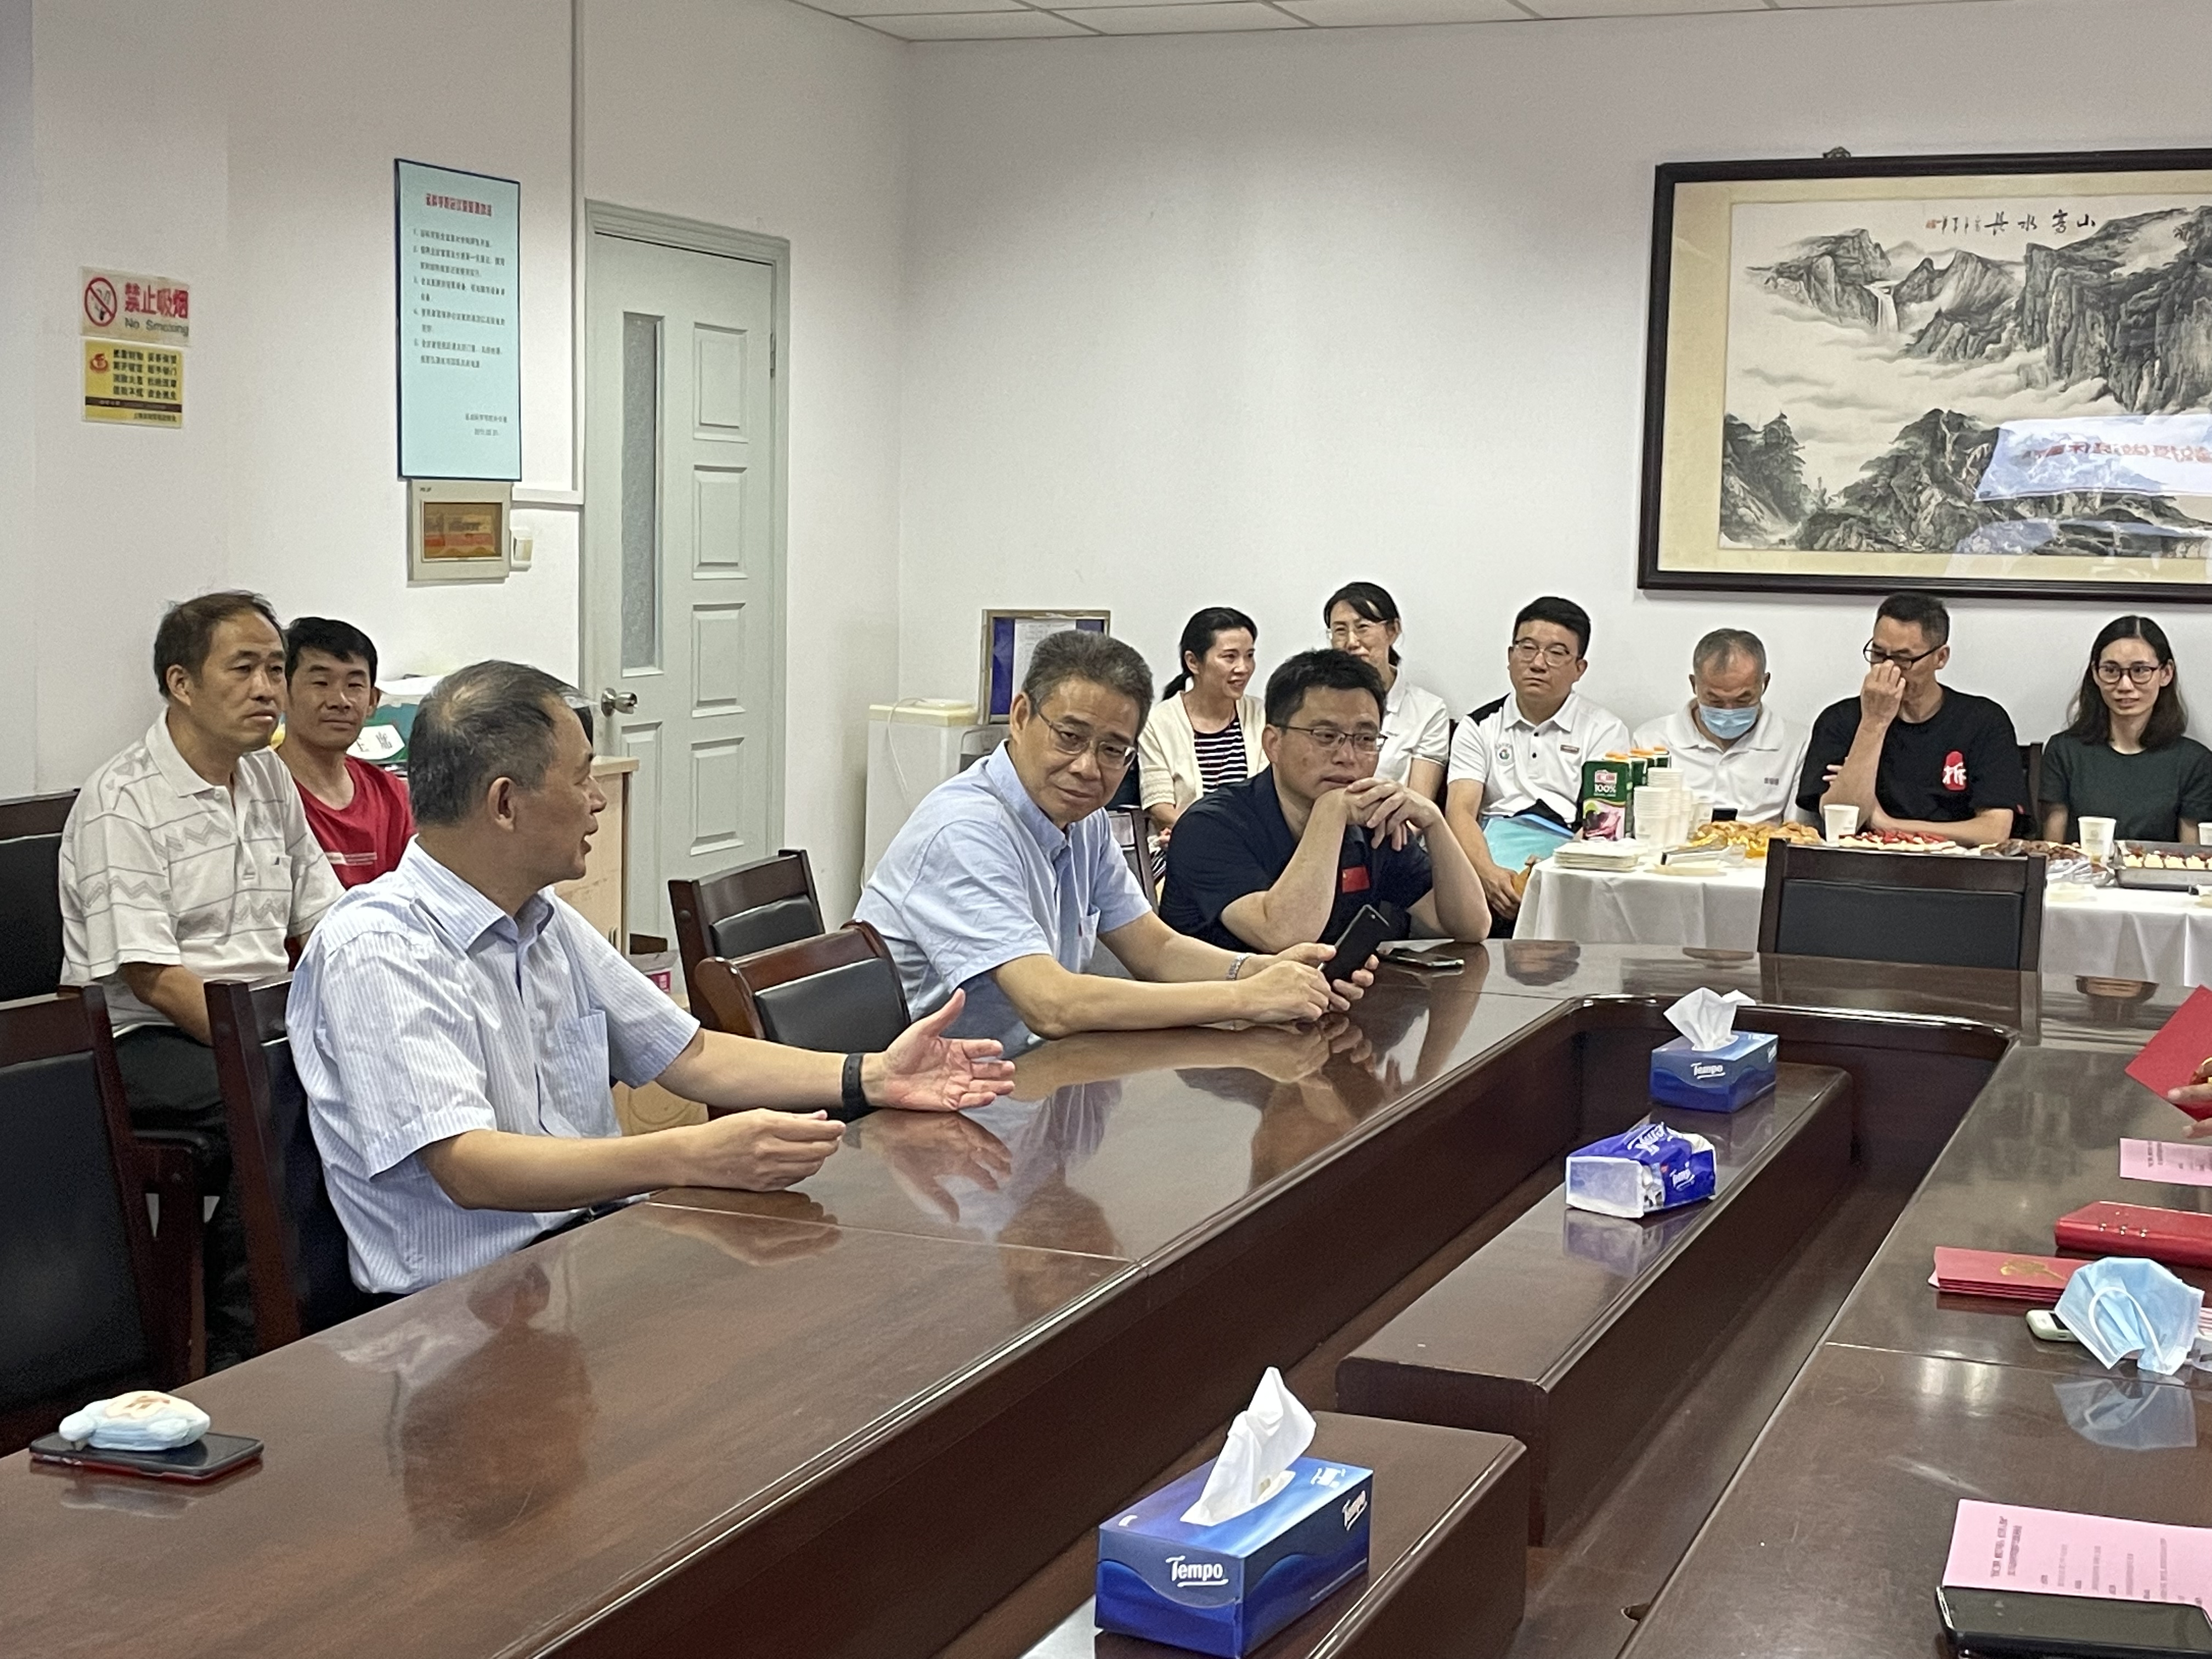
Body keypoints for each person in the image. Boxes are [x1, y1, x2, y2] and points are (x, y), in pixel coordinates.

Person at [291, 661, 1018, 1297]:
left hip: (582, 1261)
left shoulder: (542, 919)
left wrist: (871, 1076)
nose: (597, 800)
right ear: (505, 803)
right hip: (457, 1316)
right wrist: (688, 1155)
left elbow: (688, 1053)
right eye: (581, 778)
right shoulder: (380, 948)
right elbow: (469, 1166)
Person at [60, 590, 345, 1369]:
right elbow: (152, 975)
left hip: (256, 1022)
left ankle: (345, 1309)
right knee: (281, 1101)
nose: (267, 689)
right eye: (244, 669)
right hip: (141, 1037)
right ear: (181, 684)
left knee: (360, 1078)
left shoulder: (269, 778)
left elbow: (325, 915)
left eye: (276, 670)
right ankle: (244, 1351)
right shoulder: (123, 800)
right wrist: (269, 1047)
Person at [854, 628, 1367, 1046]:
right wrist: (1248, 998)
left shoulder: (1084, 820)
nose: (1087, 767)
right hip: (923, 1099)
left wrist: (1264, 970)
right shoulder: (965, 830)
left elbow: (1155, 949)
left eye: (1112, 750)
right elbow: (1051, 1004)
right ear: (1021, 716)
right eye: (1070, 736)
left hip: (1028, 1075)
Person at [1159, 650, 1491, 952]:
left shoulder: (1374, 821)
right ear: (1273, 744)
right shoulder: (1210, 826)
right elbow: (1283, 936)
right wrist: (1330, 812)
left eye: (1365, 738)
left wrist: (1434, 821)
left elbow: (1470, 926)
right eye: (1326, 736)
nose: (1347, 756)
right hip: (1219, 999)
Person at [1444, 596, 1630, 930]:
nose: (1538, 664)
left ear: (1579, 668)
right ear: (1510, 656)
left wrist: (1547, 874)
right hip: (1488, 869)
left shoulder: (1605, 730)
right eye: (1527, 649)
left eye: (1556, 653)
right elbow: (1460, 812)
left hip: (1568, 868)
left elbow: (1601, 824)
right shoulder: (1478, 726)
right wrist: (1488, 874)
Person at [1797, 591, 2023, 847]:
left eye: (1903, 659)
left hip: (1956, 863)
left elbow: (1994, 831)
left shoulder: (1983, 721)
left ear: (1941, 657)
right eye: (1878, 654)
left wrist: (1890, 825)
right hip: (1861, 861)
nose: (1888, 668)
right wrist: (1874, 722)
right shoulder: (1840, 720)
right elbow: (1840, 823)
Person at [2040, 616, 2212, 845]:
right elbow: (2054, 850)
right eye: (2111, 670)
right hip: (2082, 869)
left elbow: (2191, 856)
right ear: (2095, 674)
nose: (2125, 685)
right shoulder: (2064, 751)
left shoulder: (2194, 762)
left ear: (2166, 673)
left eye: (2140, 670)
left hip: (2157, 869)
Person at [279, 616, 416, 887]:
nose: (339, 701)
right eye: (321, 683)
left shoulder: (392, 795)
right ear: (282, 692)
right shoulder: (263, 793)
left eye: (354, 686)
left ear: (373, 701)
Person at [1632, 628, 1810, 825]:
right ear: (1694, 684)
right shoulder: (1651, 741)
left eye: (1743, 700)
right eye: (1715, 700)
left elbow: (1798, 832)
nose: (1729, 711)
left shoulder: (1796, 743)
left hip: (1761, 842)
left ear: (1764, 684)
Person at [1137, 606, 1265, 838]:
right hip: (1186, 840)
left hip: (1254, 844)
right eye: (1230, 657)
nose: (1244, 668)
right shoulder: (1158, 723)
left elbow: (1272, 798)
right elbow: (1160, 808)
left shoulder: (1263, 715)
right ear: (1193, 662)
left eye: (1249, 656)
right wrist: (1205, 836)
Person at [1323, 582, 1450, 800]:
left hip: (1391, 820)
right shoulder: (1318, 702)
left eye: (1363, 627)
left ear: (1392, 630)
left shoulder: (1428, 711)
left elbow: (1419, 803)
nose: (1352, 642)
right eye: (1340, 631)